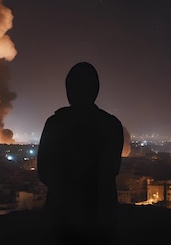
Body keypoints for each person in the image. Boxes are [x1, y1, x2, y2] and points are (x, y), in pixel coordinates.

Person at [37, 62, 124, 245]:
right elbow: (112, 169)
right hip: (100, 217)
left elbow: (44, 172)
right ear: (96, 90)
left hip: (61, 216)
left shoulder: (55, 124)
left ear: (69, 90)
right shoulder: (111, 125)